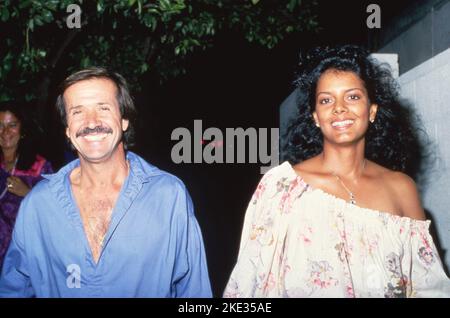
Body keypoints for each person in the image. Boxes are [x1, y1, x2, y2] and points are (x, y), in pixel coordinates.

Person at [223, 45, 450, 297]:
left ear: (372, 111)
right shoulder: (282, 188)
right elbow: (249, 287)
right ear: (316, 117)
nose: (339, 108)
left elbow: (428, 287)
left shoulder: (402, 188)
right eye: (326, 100)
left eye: (352, 96)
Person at [0, 67, 212, 297]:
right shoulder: (39, 205)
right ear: (67, 130)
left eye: (103, 108)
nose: (91, 122)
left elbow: (194, 292)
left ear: (124, 121)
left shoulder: (168, 196)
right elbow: (13, 289)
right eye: (77, 112)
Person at [0, 102, 53, 270]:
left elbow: (55, 210)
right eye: (0, 126)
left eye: (12, 125)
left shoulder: (39, 166)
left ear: (22, 130)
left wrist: (27, 193)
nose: (5, 132)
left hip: (22, 255)